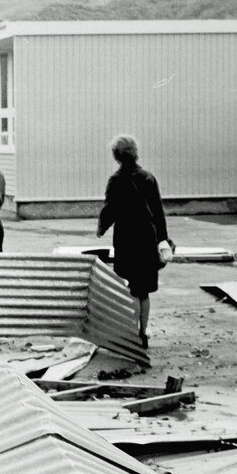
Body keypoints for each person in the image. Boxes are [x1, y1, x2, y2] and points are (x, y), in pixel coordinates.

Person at [97, 134, 169, 348]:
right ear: (135, 153)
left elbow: (110, 209)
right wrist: (162, 240)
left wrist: (101, 227)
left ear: (116, 156)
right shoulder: (148, 178)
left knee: (126, 286)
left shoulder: (116, 180)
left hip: (126, 240)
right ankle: (142, 333)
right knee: (143, 291)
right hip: (147, 239)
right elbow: (158, 211)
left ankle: (128, 331)